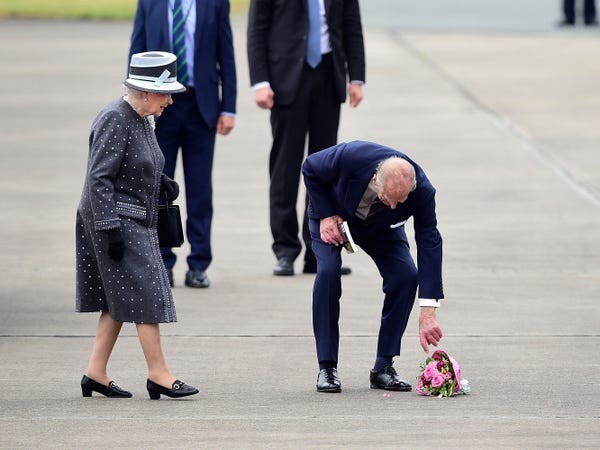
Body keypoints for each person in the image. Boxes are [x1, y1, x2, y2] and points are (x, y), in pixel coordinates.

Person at [76, 51, 199, 400]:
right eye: (165, 93)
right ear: (145, 92)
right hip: (116, 219)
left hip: (134, 216)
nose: (170, 101)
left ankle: (95, 373)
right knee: (146, 293)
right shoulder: (116, 118)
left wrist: (160, 180)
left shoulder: (142, 117)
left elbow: (133, 161)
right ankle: (159, 374)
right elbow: (99, 177)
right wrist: (109, 227)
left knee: (119, 298)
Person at [301, 141, 445, 393]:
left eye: (399, 201)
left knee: (406, 276)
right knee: (328, 272)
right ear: (376, 178)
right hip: (334, 217)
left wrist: (428, 311)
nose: (392, 206)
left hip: (381, 229)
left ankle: (383, 367)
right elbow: (310, 167)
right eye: (387, 198)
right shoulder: (353, 156)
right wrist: (325, 214)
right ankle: (327, 367)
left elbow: (429, 242)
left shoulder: (423, 191)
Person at [247, 0, 365, 276]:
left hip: (328, 74)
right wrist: (260, 81)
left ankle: (318, 250)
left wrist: (356, 78)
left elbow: (352, 26)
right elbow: (257, 28)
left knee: (326, 169)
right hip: (286, 78)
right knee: (285, 169)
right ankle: (285, 250)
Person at [129, 0, 237, 288]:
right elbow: (136, 53)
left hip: (201, 107)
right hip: (161, 109)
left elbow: (226, 54)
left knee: (200, 189)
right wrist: (135, 104)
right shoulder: (150, 4)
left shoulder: (214, 4)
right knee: (158, 186)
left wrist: (229, 108)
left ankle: (199, 263)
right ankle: (162, 261)